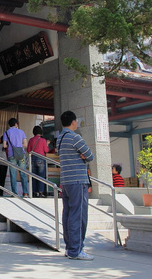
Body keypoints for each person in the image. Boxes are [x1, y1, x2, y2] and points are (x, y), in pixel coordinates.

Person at [57, 110, 94, 261]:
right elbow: (90, 155)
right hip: (78, 180)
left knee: (68, 214)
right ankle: (76, 250)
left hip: (65, 181)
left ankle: (69, 247)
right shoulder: (75, 137)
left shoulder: (60, 138)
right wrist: (82, 155)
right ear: (73, 122)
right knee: (78, 215)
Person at [2, 118, 29, 197]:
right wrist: (19, 145)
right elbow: (25, 145)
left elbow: (4, 145)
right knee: (23, 173)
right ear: (16, 124)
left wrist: (10, 146)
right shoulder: (21, 132)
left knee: (13, 174)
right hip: (21, 155)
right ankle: (25, 193)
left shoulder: (6, 132)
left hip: (11, 155)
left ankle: (14, 193)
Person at [27, 125, 50, 197]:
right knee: (41, 176)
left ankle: (34, 192)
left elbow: (28, 150)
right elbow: (46, 150)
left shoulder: (31, 140)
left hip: (33, 158)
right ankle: (40, 192)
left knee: (34, 176)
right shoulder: (43, 140)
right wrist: (47, 144)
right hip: (41, 159)